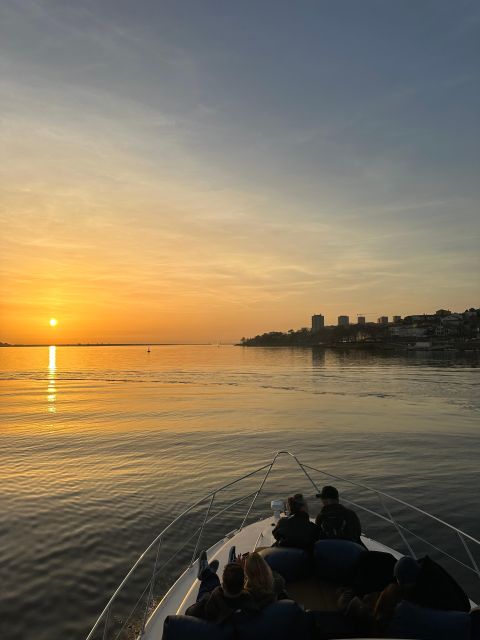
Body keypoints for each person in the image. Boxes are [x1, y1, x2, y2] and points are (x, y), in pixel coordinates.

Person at [185, 552, 248, 623]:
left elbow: (188, 612)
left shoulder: (207, 602)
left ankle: (206, 572)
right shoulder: (249, 606)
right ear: (243, 584)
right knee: (213, 586)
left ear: (223, 585)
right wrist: (242, 572)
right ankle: (208, 573)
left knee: (208, 588)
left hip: (209, 605)